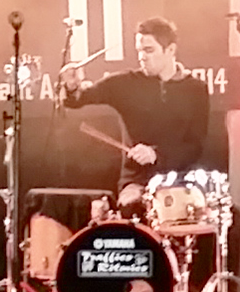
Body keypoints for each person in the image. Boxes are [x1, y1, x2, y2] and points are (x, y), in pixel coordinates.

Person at [69, 16, 215, 185]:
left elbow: (195, 146)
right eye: (139, 50)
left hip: (180, 180)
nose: (142, 57)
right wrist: (71, 86)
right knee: (131, 200)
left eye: (149, 50)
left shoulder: (195, 89)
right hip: (137, 181)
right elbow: (77, 100)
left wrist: (156, 154)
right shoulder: (124, 83)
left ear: (170, 50)